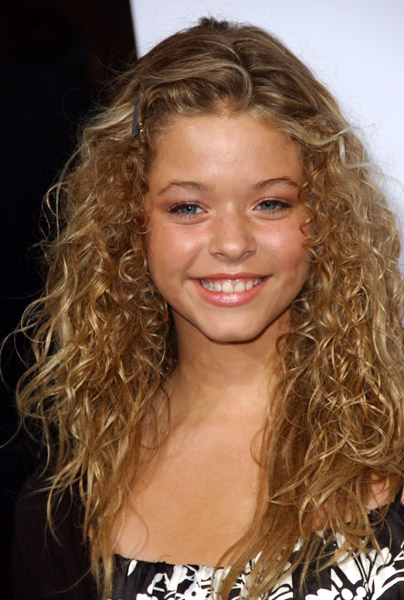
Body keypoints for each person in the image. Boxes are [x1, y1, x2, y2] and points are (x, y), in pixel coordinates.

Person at [12, 16, 404, 600]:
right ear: (128, 221)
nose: (232, 243)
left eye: (270, 203)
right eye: (188, 208)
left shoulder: (392, 437)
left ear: (324, 215)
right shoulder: (66, 504)